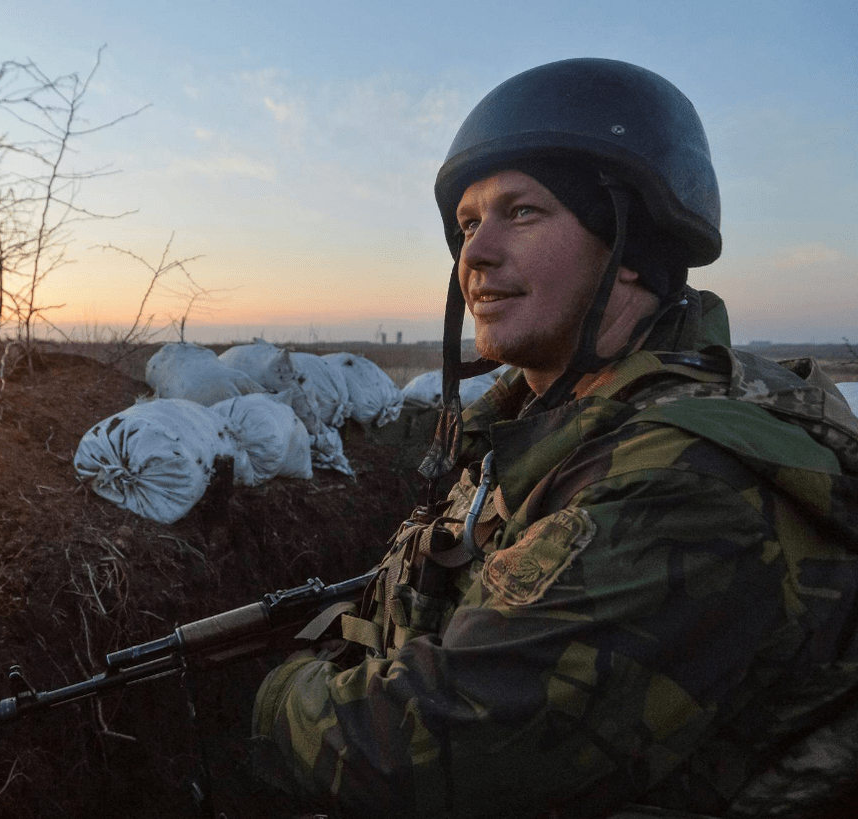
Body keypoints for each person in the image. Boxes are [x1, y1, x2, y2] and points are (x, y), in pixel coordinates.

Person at [251, 58, 858, 818]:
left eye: (522, 212)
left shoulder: (691, 476)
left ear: (634, 246)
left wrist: (275, 697)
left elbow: (433, 749)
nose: (474, 253)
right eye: (469, 223)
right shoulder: (538, 428)